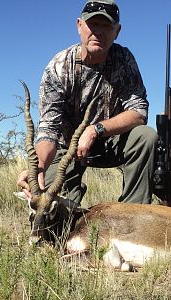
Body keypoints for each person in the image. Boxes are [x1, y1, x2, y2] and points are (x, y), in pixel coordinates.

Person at [17, 0, 157, 204]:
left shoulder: (124, 59)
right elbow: (48, 129)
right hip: (68, 151)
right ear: (79, 26)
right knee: (48, 202)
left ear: (117, 31)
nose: (98, 32)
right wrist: (37, 166)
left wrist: (95, 130)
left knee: (146, 137)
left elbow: (139, 112)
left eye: (106, 26)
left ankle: (133, 213)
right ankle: (71, 195)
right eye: (93, 24)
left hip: (109, 141)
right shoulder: (59, 67)